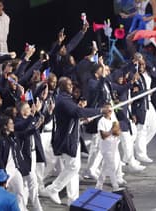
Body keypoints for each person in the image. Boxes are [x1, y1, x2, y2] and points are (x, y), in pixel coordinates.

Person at [44, 77, 110, 206]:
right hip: (67, 140)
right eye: (68, 85)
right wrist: (100, 110)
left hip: (72, 137)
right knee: (73, 167)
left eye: (71, 84)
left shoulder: (67, 100)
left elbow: (73, 116)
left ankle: (73, 200)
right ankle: (53, 188)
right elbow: (77, 112)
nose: (71, 86)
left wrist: (84, 119)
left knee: (73, 170)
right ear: (61, 86)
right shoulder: (63, 100)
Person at [95, 103, 121, 191]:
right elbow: (103, 135)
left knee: (105, 167)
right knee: (112, 166)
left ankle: (99, 185)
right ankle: (115, 186)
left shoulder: (113, 119)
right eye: (108, 110)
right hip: (106, 148)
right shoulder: (101, 121)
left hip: (113, 146)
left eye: (111, 110)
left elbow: (117, 132)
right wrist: (112, 130)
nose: (110, 112)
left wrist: (114, 130)